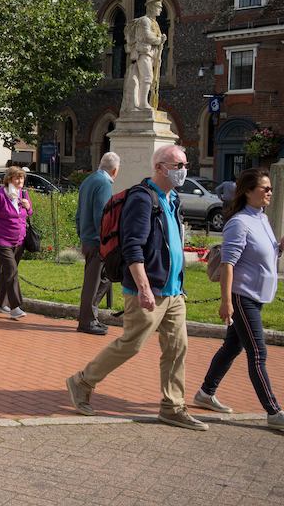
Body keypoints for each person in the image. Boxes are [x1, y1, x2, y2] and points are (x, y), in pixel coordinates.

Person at [67, 145, 207, 431]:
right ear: (159, 167)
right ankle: (82, 381)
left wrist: (178, 284)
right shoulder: (142, 199)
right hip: (149, 289)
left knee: (178, 347)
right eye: (177, 165)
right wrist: (143, 287)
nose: (183, 170)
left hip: (173, 291)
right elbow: (133, 246)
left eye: (184, 164)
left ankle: (172, 406)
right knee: (132, 343)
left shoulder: (173, 199)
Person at [195, 168, 284, 431]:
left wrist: (279, 248)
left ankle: (205, 393)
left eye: (270, 188)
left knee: (233, 347)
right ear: (247, 191)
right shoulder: (239, 222)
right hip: (243, 295)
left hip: (258, 296)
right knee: (258, 353)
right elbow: (229, 264)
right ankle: (274, 411)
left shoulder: (261, 218)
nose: (269, 192)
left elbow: (263, 257)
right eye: (264, 188)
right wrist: (226, 302)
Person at [75, 152, 120, 336]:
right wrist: (106, 241)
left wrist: (82, 234)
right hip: (96, 241)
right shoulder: (103, 184)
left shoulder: (89, 180)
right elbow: (102, 216)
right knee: (96, 282)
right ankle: (87, 320)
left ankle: (90, 318)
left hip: (88, 238)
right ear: (115, 170)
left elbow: (79, 213)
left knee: (97, 280)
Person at [0, 166, 32, 320]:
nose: (20, 181)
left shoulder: (23, 194)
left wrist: (28, 207)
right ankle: (15, 307)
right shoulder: (0, 195)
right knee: (11, 270)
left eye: (21, 178)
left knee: (6, 272)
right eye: (17, 178)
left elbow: (28, 213)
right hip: (1, 240)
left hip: (19, 241)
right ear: (9, 179)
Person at [122, 0, 167, 113]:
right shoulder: (144, 21)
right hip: (143, 53)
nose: (160, 10)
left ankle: (142, 102)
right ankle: (142, 103)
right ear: (152, 8)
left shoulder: (154, 23)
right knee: (147, 77)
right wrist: (159, 39)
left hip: (151, 55)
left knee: (148, 78)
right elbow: (147, 36)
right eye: (158, 8)